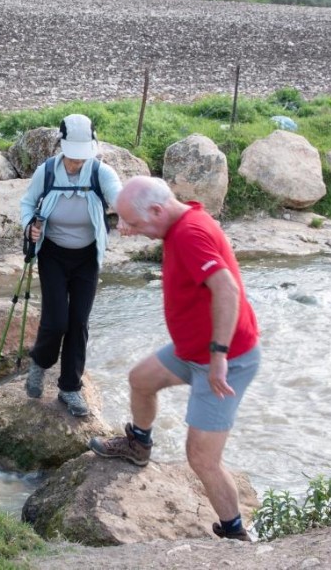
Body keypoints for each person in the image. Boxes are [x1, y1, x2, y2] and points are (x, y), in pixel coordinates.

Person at [88, 176, 261, 542]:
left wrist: (219, 356)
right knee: (140, 379)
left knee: (201, 457)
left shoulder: (189, 234)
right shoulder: (183, 221)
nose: (126, 231)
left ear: (157, 209)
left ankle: (235, 534)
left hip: (226, 359)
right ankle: (139, 444)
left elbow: (227, 289)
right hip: (192, 352)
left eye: (132, 223)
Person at [19, 114, 122, 417]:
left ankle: (69, 388)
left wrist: (128, 209)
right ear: (62, 147)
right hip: (52, 253)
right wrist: (29, 227)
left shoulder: (101, 172)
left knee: (79, 323)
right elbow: (27, 202)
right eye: (73, 156)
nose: (77, 162)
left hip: (87, 257)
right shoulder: (47, 171)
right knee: (56, 322)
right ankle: (39, 364)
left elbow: (117, 194)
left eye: (82, 157)